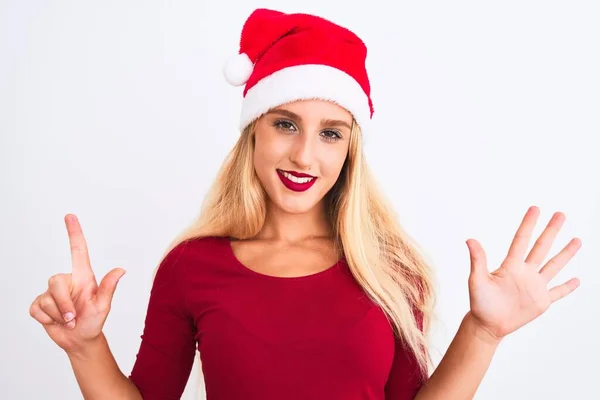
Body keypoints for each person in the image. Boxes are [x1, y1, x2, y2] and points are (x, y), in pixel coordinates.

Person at [29, 8, 582, 400]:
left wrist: (482, 333)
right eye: (286, 124)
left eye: (331, 133)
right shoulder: (192, 268)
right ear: (253, 131)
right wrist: (86, 347)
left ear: (351, 148)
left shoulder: (390, 272)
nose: (304, 155)